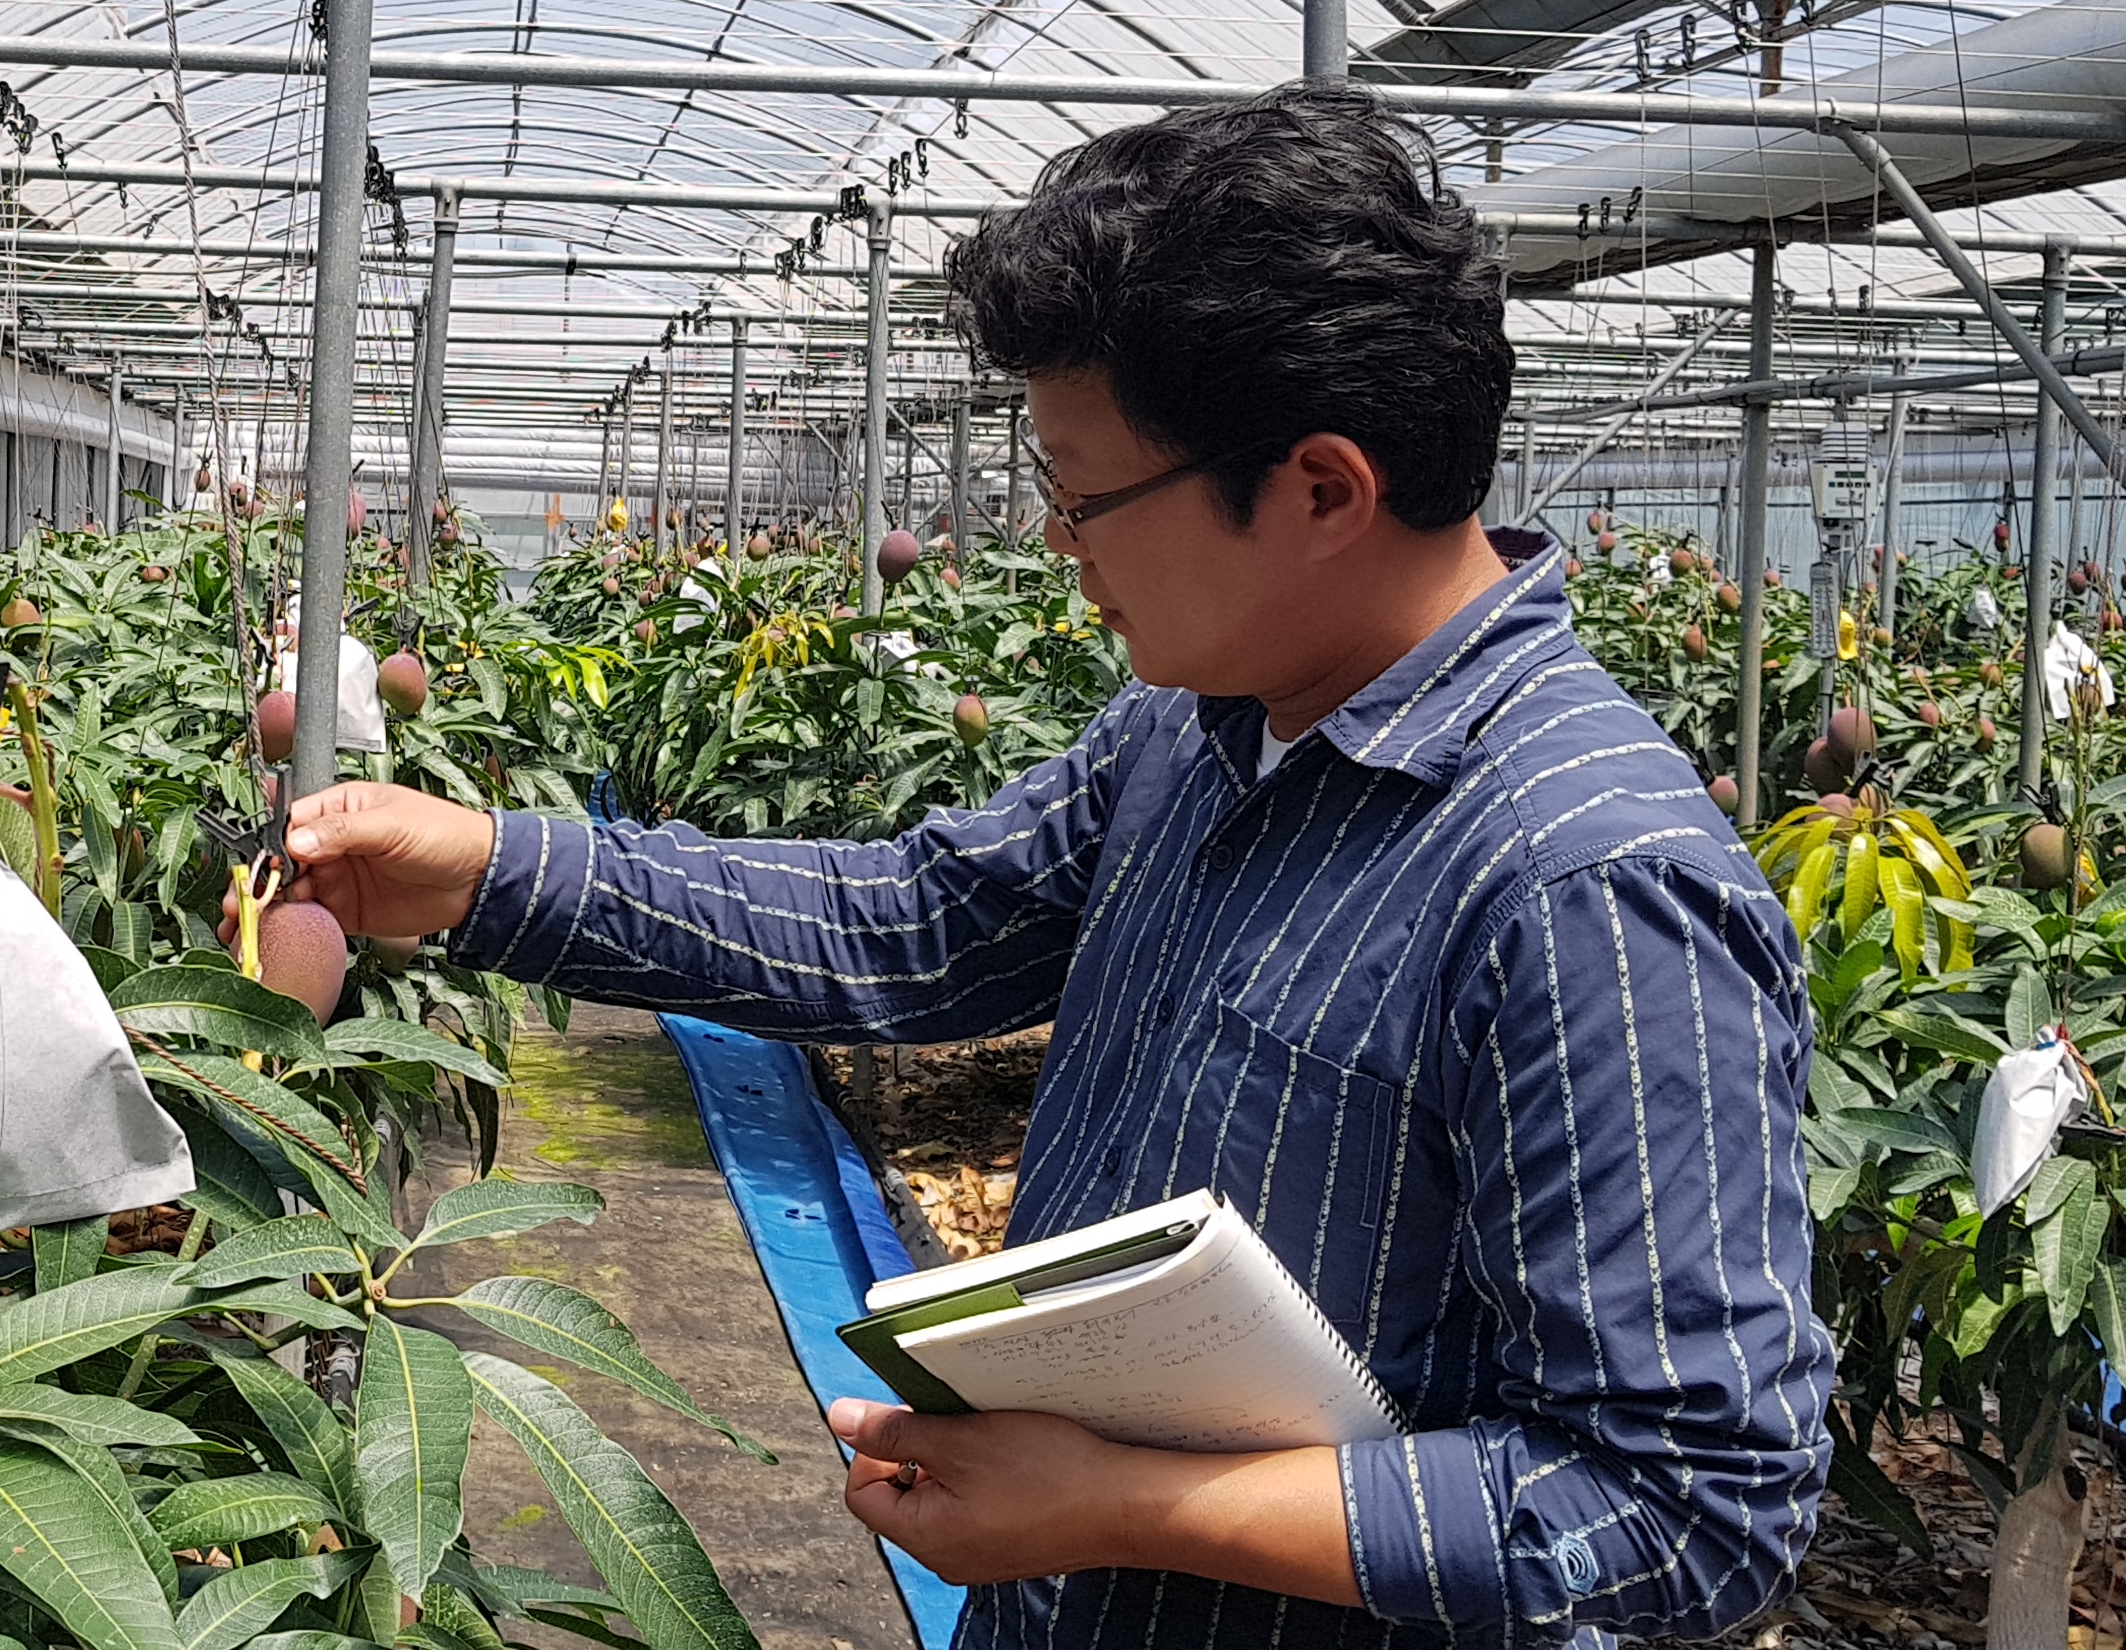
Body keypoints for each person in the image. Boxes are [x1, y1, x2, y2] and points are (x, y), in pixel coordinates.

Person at [251, 86, 1835, 1649]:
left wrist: (1120, 1505)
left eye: (1083, 497)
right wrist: (490, 870)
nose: (1055, 546)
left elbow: (1685, 1506)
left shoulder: (1588, 886)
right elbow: (922, 926)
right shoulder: (1197, 724)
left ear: (1324, 490)